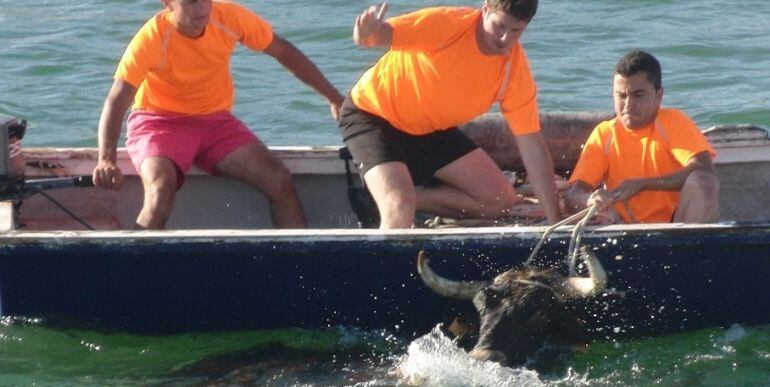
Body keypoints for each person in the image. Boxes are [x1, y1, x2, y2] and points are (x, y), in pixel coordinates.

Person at [93, 0, 344, 229]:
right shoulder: (152, 37)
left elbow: (283, 51)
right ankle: (138, 272)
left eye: (205, 0)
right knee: (160, 193)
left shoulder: (228, 17)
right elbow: (116, 101)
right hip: (159, 121)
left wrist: (333, 97)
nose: (201, 10)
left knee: (279, 181)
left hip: (215, 122)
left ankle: (297, 268)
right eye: (189, 2)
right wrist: (106, 159)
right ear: (168, 3)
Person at [338, 0, 561, 229]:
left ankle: (384, 199)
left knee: (500, 201)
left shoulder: (513, 71)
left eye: (516, 30)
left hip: (429, 131)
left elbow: (532, 145)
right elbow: (373, 37)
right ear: (485, 9)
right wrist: (364, 32)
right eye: (500, 26)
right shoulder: (446, 25)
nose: (505, 38)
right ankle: (391, 205)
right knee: (399, 207)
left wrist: (555, 223)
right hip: (373, 116)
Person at [565, 50, 720, 223]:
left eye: (638, 95)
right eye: (621, 96)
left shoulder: (673, 121)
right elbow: (573, 194)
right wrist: (589, 200)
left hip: (676, 227)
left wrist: (643, 185)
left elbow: (704, 170)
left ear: (659, 95)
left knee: (703, 182)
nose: (629, 105)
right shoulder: (604, 134)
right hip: (623, 229)